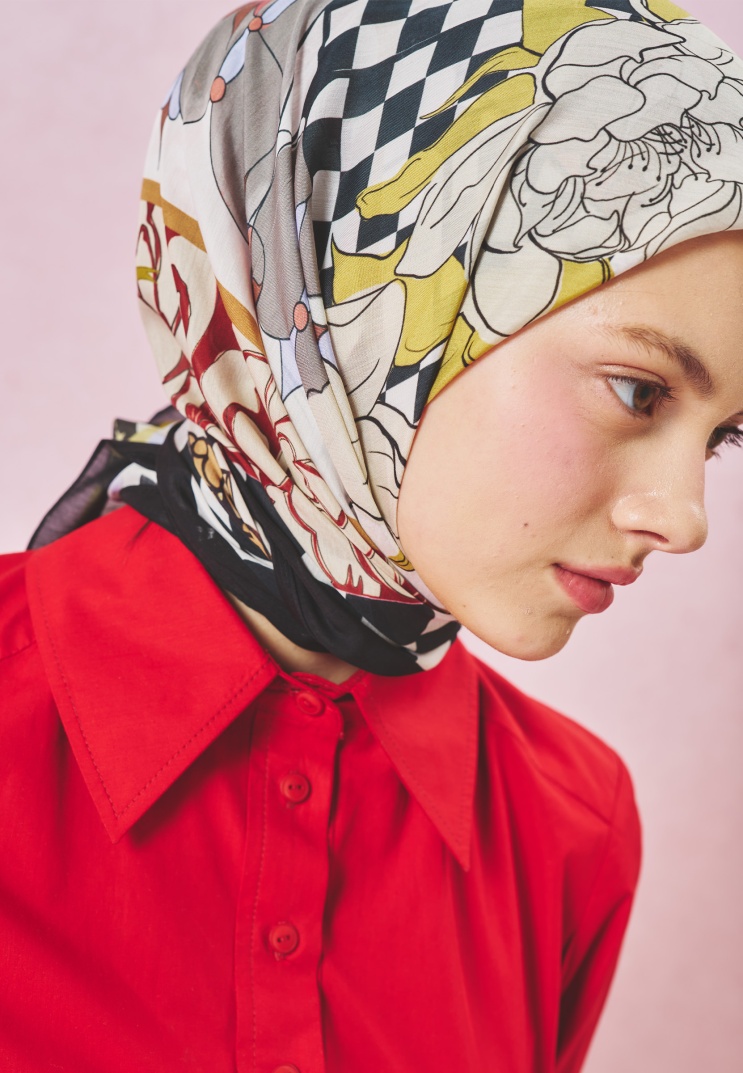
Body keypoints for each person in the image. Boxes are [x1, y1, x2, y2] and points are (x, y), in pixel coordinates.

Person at [2, 0, 743, 1070]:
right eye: (637, 390)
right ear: (353, 297)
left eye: (722, 437)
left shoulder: (568, 828)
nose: (683, 518)